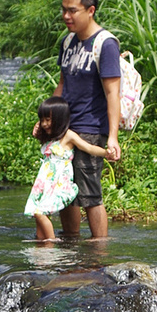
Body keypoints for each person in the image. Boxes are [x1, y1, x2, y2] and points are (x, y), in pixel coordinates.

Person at [54, 0, 121, 240]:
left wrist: (112, 136)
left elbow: (112, 93)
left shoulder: (105, 44)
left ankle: (99, 254)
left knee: (90, 193)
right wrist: (47, 118)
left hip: (91, 129)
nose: (66, 16)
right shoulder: (68, 42)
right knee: (65, 191)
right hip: (64, 128)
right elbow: (62, 83)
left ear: (90, 10)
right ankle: (71, 246)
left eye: (72, 10)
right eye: (63, 10)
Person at [24, 95, 108, 242]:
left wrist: (107, 153)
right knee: (36, 213)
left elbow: (88, 147)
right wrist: (37, 130)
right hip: (45, 184)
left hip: (58, 184)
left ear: (59, 118)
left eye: (48, 120)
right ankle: (40, 242)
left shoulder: (68, 136)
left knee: (39, 212)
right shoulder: (51, 137)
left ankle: (50, 242)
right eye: (42, 120)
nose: (44, 124)